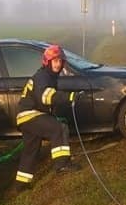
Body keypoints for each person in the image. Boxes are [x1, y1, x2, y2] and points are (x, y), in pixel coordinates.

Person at [13, 44, 82, 190]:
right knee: (59, 128)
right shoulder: (43, 77)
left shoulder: (47, 76)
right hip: (31, 114)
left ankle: (21, 184)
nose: (58, 64)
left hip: (26, 116)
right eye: (55, 61)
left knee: (31, 149)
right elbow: (46, 97)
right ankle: (62, 164)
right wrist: (69, 97)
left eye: (60, 61)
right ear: (47, 62)